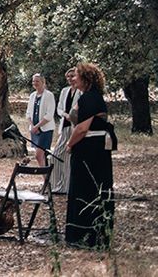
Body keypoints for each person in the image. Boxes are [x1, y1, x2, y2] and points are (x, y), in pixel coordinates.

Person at [65, 63, 115, 249]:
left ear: (85, 78)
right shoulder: (85, 97)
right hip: (90, 148)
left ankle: (87, 234)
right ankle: (85, 232)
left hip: (90, 150)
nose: (73, 78)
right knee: (85, 187)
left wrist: (70, 144)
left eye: (76, 75)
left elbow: (82, 128)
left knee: (86, 188)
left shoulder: (91, 99)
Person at [51, 68, 80, 194]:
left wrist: (72, 116)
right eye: (68, 76)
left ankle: (68, 186)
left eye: (72, 76)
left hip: (75, 126)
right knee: (56, 155)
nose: (70, 79)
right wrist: (65, 114)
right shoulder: (64, 91)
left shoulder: (81, 92)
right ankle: (56, 185)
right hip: (65, 125)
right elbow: (59, 108)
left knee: (68, 157)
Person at [26, 73, 56, 166]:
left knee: (39, 155)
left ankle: (46, 177)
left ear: (43, 82)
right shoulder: (32, 96)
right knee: (41, 157)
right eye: (33, 81)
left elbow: (49, 115)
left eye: (37, 81)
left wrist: (38, 126)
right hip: (34, 130)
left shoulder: (49, 95)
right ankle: (46, 178)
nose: (35, 83)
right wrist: (32, 126)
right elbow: (28, 113)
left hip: (45, 129)